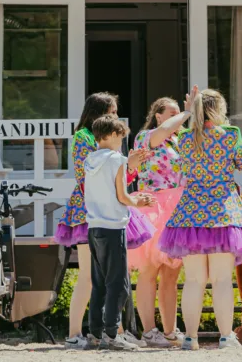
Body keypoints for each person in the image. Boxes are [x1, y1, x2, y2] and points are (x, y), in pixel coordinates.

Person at [157, 88, 242, 350]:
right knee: (222, 280)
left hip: (190, 214)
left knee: (193, 281)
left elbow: (181, 167)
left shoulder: (184, 137)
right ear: (219, 109)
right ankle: (226, 336)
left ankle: (190, 338)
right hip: (223, 213)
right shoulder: (230, 135)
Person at [57, 92, 154, 349]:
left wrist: (128, 164)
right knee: (94, 277)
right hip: (91, 211)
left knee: (106, 278)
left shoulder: (104, 144)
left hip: (100, 209)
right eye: (110, 111)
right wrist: (126, 164)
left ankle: (109, 331)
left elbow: (116, 176)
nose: (114, 115)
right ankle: (76, 332)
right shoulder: (85, 138)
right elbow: (88, 177)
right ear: (98, 112)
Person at [83, 115, 156, 350]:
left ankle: (94, 334)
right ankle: (112, 335)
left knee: (99, 283)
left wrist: (128, 161)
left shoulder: (90, 159)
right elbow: (122, 196)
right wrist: (140, 201)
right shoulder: (116, 160)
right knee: (119, 284)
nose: (121, 142)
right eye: (121, 137)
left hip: (94, 227)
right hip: (113, 227)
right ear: (113, 135)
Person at [128, 96, 191, 347]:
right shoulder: (147, 137)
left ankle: (169, 330)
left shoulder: (179, 140)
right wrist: (187, 112)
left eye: (179, 113)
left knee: (171, 274)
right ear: (159, 116)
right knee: (149, 271)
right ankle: (149, 330)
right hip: (153, 207)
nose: (178, 118)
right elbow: (164, 131)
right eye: (172, 113)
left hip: (176, 209)